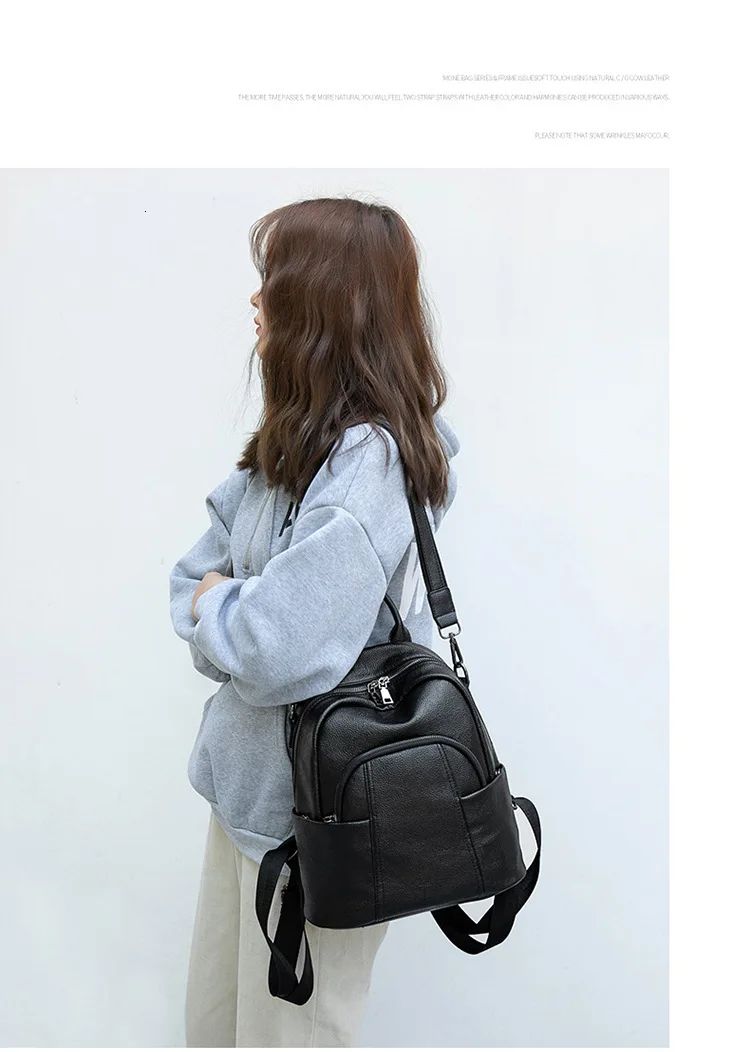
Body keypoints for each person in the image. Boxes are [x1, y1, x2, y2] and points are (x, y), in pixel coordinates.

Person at [168, 196, 461, 1048]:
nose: (256, 300)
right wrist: (232, 612)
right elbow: (190, 578)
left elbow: (273, 644)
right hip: (246, 799)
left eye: (274, 281)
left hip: (321, 829)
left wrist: (222, 607)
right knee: (214, 1032)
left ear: (324, 301)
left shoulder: (371, 466)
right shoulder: (291, 448)